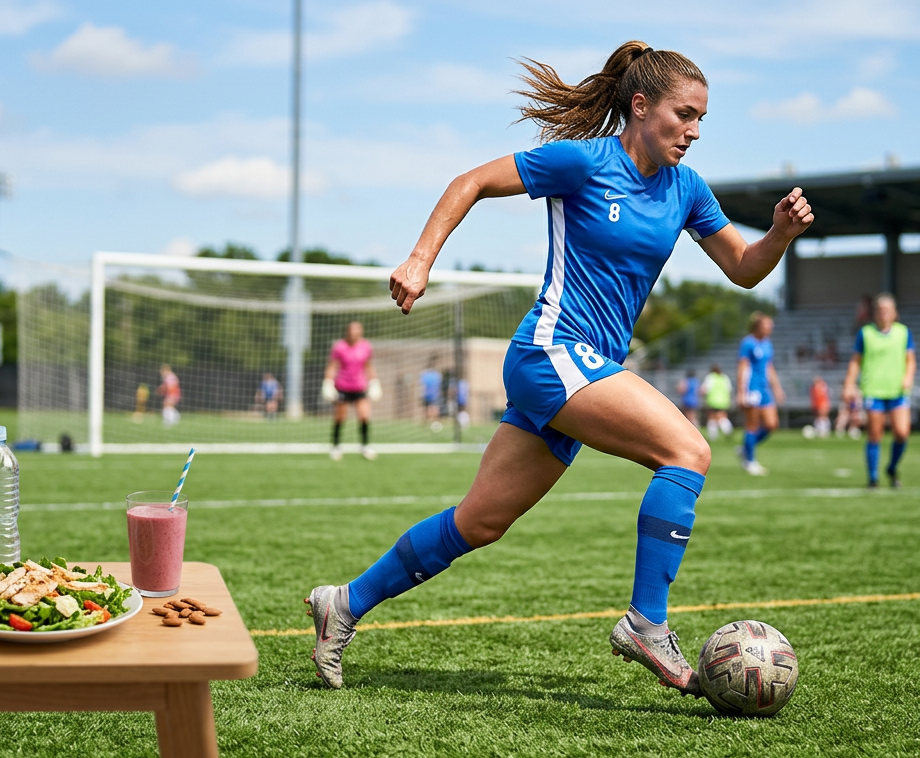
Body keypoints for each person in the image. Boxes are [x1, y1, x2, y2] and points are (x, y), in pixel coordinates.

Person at [302, 41, 813, 695]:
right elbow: (472, 182)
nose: (693, 131)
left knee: (478, 522)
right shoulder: (583, 162)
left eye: (701, 120)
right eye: (684, 114)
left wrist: (778, 236)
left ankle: (342, 604)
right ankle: (645, 624)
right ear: (639, 105)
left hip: (587, 369)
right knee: (687, 451)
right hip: (551, 352)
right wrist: (419, 259)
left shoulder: (686, 189)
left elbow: (743, 268)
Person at [842, 293, 916, 488]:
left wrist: (908, 377)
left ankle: (891, 467)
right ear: (875, 313)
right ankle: (873, 478)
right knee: (875, 435)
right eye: (880, 310)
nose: (883, 313)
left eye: (887, 310)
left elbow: (910, 360)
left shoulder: (903, 333)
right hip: (874, 390)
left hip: (898, 391)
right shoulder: (865, 333)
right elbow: (855, 362)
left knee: (902, 433)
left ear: (894, 313)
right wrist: (849, 384)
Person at [322, 321, 379, 460]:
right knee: (340, 417)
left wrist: (374, 382)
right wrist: (328, 382)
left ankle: (365, 446)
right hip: (343, 386)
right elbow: (332, 366)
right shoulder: (339, 347)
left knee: (364, 415)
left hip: (359, 386)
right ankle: (336, 446)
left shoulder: (366, 347)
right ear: (347, 331)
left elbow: (368, 366)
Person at [736, 312, 784, 476]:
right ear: (758, 326)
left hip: (764, 389)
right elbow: (743, 367)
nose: (770, 328)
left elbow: (769, 367)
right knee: (752, 424)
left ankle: (746, 448)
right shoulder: (748, 343)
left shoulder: (767, 344)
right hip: (752, 388)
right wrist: (741, 391)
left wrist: (777, 388)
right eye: (767, 325)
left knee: (772, 424)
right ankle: (750, 461)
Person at [700, 363, 733, 440]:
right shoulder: (724, 378)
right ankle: (728, 430)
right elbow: (729, 389)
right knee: (722, 416)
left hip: (713, 401)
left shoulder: (710, 378)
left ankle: (713, 435)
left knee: (712, 417)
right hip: (724, 401)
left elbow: (705, 389)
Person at [419, 359, 443, 431]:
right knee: (433, 409)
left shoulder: (425, 374)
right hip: (433, 394)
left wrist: (421, 393)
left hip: (428, 394)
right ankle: (433, 422)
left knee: (428, 409)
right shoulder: (437, 375)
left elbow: (422, 386)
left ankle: (428, 422)